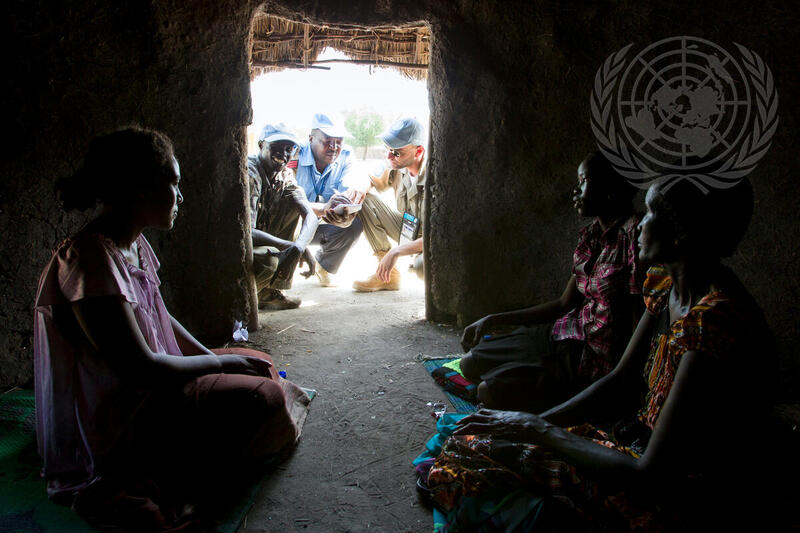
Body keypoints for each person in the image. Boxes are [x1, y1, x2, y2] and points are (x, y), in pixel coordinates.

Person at [419, 177, 781, 531]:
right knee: (473, 444)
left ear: (680, 233)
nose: (641, 224)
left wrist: (537, 427)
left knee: (479, 469)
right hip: (641, 448)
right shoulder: (667, 286)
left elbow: (650, 472)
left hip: (683, 487)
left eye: (651, 212)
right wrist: (534, 424)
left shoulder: (715, 321)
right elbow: (620, 379)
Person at [34, 127, 311, 532]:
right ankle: (170, 475)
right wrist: (219, 362)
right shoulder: (89, 261)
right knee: (263, 397)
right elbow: (140, 369)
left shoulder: (132, 244)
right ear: (141, 189)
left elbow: (160, 314)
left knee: (260, 362)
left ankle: (199, 446)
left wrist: (215, 359)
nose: (181, 197)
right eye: (174, 184)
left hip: (151, 383)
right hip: (123, 409)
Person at [455, 152, 644, 412]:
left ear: (610, 188)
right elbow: (563, 304)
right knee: (468, 365)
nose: (575, 191)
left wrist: (622, 385)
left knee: (487, 391)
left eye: (583, 181)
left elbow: (638, 319)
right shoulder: (591, 236)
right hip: (565, 333)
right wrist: (493, 319)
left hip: (591, 360)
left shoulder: (633, 237)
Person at [351, 117, 427, 292]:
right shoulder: (399, 168)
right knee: (366, 200)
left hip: (431, 240)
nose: (389, 156)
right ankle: (388, 276)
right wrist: (361, 188)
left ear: (418, 151)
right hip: (411, 230)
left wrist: (396, 251)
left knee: (424, 266)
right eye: (388, 149)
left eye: (397, 152)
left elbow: (439, 237)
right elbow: (372, 177)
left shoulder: (436, 176)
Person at [248, 122, 318, 310]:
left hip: (261, 237)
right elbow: (246, 232)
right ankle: (242, 301)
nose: (283, 154)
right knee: (269, 261)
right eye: (276, 148)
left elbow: (310, 215)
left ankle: (268, 291)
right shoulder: (250, 173)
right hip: (238, 245)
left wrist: (299, 246)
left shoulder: (284, 175)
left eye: (288, 149)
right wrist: (287, 246)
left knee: (292, 206)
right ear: (261, 145)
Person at [291, 113, 364, 287]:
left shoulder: (346, 155)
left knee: (354, 224)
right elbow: (284, 201)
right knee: (280, 220)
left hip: (320, 223)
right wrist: (323, 207)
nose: (334, 147)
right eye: (327, 141)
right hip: (291, 223)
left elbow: (352, 183)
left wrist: (345, 209)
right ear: (311, 139)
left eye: (338, 142)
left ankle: (323, 265)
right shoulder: (294, 155)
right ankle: (273, 282)